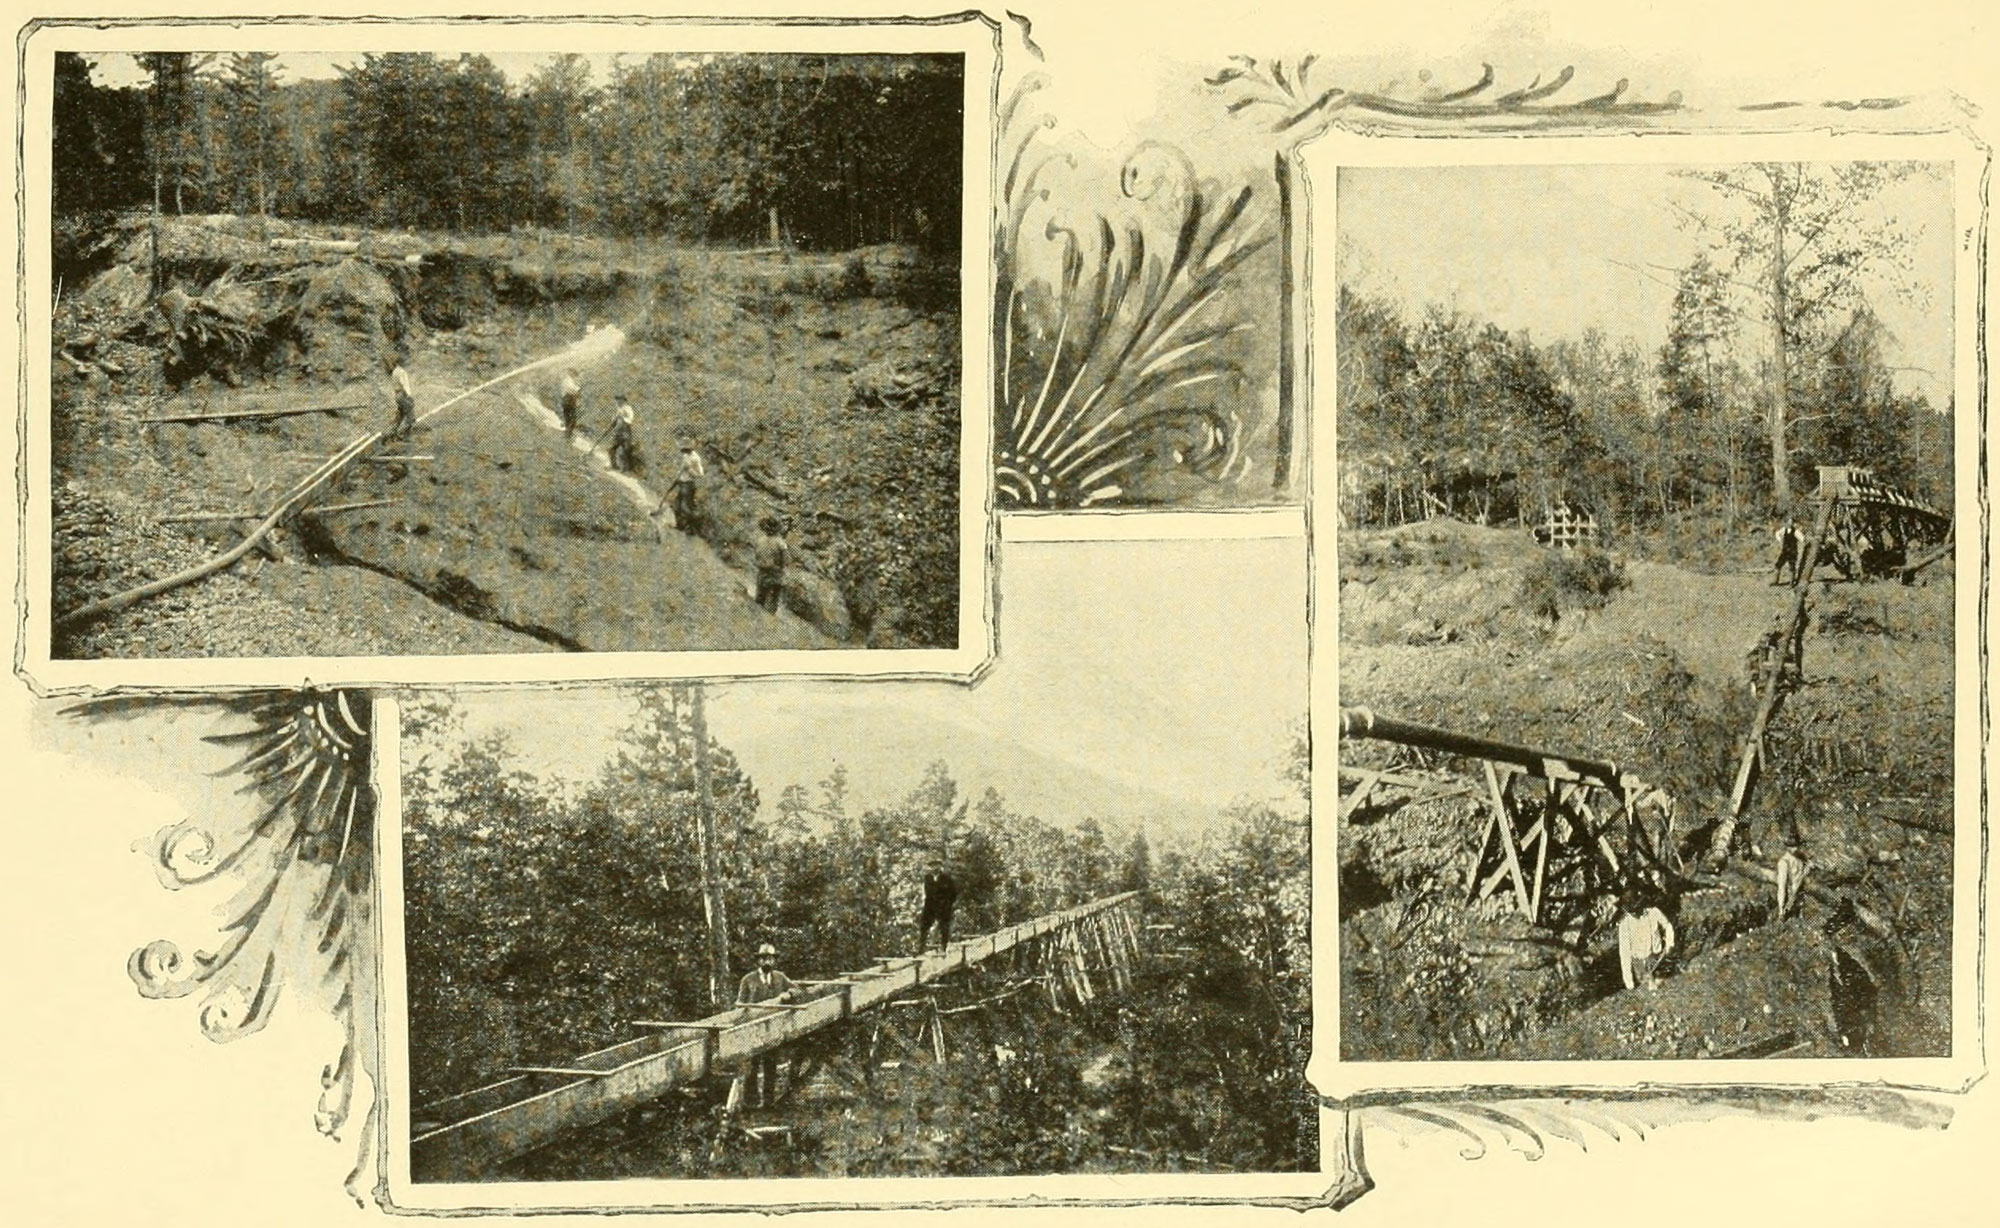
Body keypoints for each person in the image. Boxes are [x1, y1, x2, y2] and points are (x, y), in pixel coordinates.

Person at [735, 942, 794, 1108]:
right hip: (753, 1029)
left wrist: (788, 994)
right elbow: (739, 1004)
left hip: (773, 1029)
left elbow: (796, 990)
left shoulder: (780, 978)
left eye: (770, 958)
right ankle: (750, 1102)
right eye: (764, 959)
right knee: (752, 1066)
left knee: (771, 1066)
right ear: (758, 961)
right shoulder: (748, 980)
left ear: (774, 961)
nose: (767, 962)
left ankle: (768, 1102)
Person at [1616, 894, 1675, 991]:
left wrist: (1670, 943)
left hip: (1657, 955)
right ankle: (1648, 978)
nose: (1635, 914)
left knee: (1663, 978)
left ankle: (1656, 975)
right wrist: (1629, 982)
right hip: (1639, 960)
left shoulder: (1653, 912)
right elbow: (1624, 953)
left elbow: (1667, 925)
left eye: (1637, 910)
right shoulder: (1624, 924)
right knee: (1646, 981)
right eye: (1631, 912)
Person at [751, 516, 789, 613]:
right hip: (775, 573)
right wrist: (780, 568)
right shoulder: (781, 543)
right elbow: (786, 560)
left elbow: (756, 555)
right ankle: (771, 619)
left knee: (760, 597)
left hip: (762, 571)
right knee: (774, 598)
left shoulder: (759, 540)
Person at [918, 863, 959, 952]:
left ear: (940, 867)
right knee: (924, 925)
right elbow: (926, 892)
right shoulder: (927, 878)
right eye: (932, 865)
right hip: (930, 905)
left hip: (943, 906)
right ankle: (921, 947)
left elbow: (954, 893)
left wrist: (948, 903)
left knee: (944, 927)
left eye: (936, 865)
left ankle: (944, 946)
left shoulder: (947, 879)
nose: (934, 867)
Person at [671, 437, 705, 535]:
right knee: (676, 506)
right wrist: (677, 479)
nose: (683, 451)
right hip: (682, 482)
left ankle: (694, 526)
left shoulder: (696, 458)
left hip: (689, 485)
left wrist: (690, 469)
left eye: (685, 449)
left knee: (685, 507)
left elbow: (700, 474)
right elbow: (681, 470)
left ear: (689, 448)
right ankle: (680, 526)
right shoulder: (685, 456)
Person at [385, 351, 416, 440]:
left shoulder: (395, 372)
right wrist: (409, 396)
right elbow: (404, 385)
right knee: (410, 417)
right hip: (403, 394)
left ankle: (391, 433)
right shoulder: (402, 372)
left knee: (400, 416)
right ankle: (400, 433)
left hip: (397, 395)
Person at [1775, 844, 1810, 921]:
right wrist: (1781, 909)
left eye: (1796, 846)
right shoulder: (1784, 862)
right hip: (1791, 893)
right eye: (1792, 846)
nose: (1796, 848)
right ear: (1788, 847)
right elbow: (1781, 886)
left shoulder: (1801, 858)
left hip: (1801, 892)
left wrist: (1806, 870)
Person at [606, 398, 636, 474]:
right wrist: (612, 424)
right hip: (617, 433)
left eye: (619, 400)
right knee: (611, 449)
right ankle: (613, 465)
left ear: (623, 401)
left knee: (625, 451)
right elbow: (614, 421)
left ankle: (626, 469)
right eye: (617, 400)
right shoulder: (618, 408)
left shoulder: (628, 408)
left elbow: (630, 420)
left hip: (625, 433)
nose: (617, 402)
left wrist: (622, 417)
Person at [1771, 519, 1800, 586]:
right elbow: (1777, 533)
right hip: (1785, 552)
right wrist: (1780, 540)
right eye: (1788, 522)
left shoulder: (1796, 531)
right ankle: (1775, 581)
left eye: (1791, 522)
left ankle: (1792, 583)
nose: (1790, 524)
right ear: (1787, 523)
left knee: (1792, 567)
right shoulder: (1784, 529)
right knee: (1777, 566)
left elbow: (1802, 538)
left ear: (1793, 523)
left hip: (1792, 552)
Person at [559, 368, 582, 440]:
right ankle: (568, 436)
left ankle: (568, 435)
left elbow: (573, 391)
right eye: (574, 374)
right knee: (571, 419)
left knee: (570, 419)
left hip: (568, 401)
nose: (575, 376)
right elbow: (572, 390)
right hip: (568, 401)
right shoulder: (567, 380)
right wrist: (578, 388)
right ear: (570, 373)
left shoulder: (569, 380)